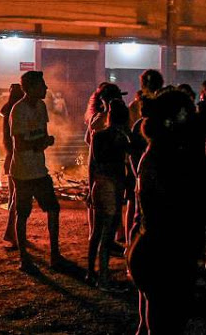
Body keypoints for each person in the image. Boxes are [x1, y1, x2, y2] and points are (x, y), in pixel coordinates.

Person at [127, 89, 205, 334]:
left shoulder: (160, 152)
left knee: (164, 319)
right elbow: (175, 208)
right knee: (167, 321)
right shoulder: (166, 157)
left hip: (155, 249)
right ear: (170, 121)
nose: (193, 117)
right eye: (187, 113)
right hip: (164, 253)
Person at [10, 70, 60, 272]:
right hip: (23, 171)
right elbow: (20, 144)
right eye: (41, 85)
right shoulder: (19, 110)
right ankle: (24, 257)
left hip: (39, 169)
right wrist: (41, 143)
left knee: (53, 209)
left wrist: (44, 141)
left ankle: (55, 253)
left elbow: (41, 136)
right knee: (23, 213)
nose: (46, 88)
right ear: (30, 88)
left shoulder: (41, 106)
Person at [85, 98, 131, 291]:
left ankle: (91, 272)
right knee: (108, 234)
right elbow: (123, 162)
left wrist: (90, 189)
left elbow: (93, 165)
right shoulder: (121, 138)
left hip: (99, 185)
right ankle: (103, 279)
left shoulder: (98, 136)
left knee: (97, 232)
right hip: (111, 186)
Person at [0, 83, 25, 248]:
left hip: (10, 157)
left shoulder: (7, 110)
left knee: (13, 197)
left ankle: (14, 233)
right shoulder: (16, 112)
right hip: (17, 158)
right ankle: (12, 233)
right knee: (17, 199)